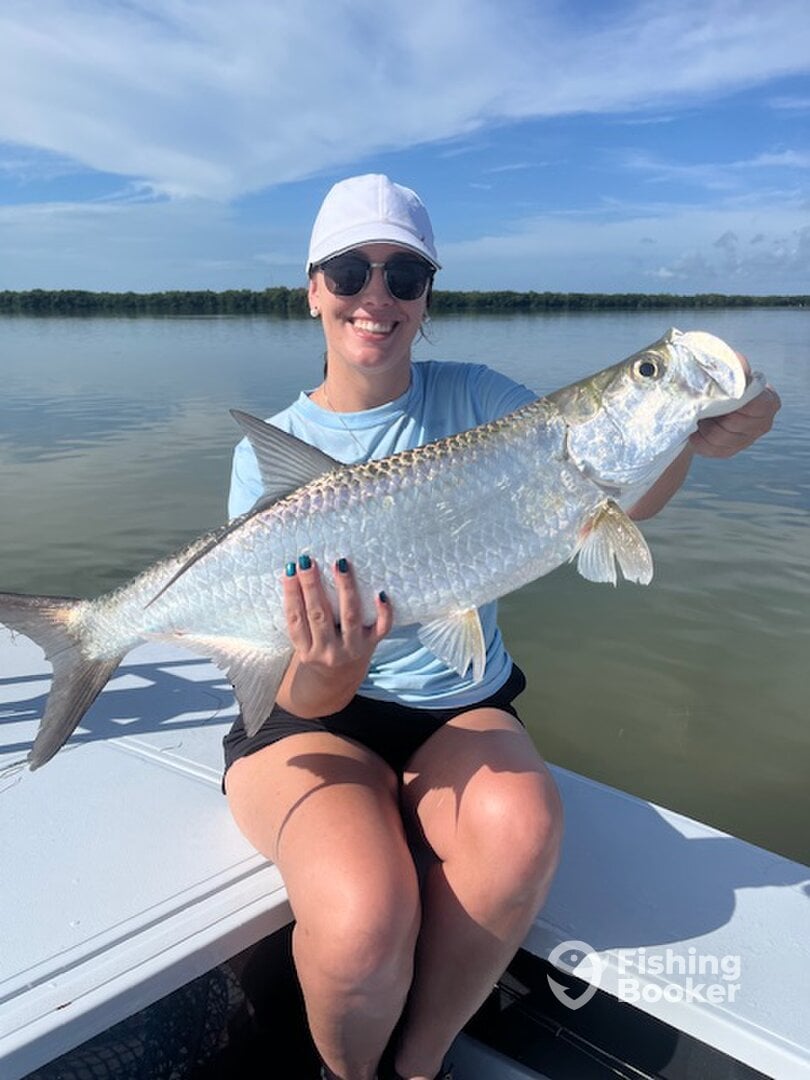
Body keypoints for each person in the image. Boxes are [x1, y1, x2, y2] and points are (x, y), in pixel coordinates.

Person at [222, 174, 781, 1080]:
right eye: (350, 271)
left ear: (427, 295)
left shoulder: (484, 401)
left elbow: (616, 491)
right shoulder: (269, 458)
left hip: (457, 708)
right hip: (313, 715)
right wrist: (333, 665)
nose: (378, 296)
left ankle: (421, 1066)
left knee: (523, 822)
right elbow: (295, 690)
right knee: (365, 917)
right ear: (313, 287)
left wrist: (691, 430)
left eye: (405, 275)